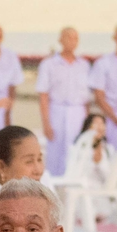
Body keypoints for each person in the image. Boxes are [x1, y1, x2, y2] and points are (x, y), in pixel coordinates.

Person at [36, 27, 93, 176]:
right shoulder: (49, 64)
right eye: (68, 37)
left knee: (76, 152)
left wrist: (88, 122)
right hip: (57, 111)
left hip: (77, 112)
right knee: (55, 154)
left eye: (75, 38)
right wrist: (46, 123)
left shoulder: (84, 65)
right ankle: (54, 191)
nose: (71, 41)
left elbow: (86, 98)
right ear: (60, 40)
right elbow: (43, 95)